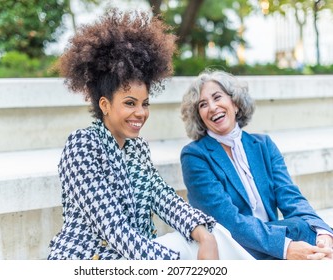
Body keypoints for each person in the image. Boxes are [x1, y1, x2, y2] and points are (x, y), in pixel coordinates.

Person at [47, 9, 253, 260]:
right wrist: (175, 265)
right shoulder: (83, 145)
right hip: (92, 259)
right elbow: (114, 230)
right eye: (130, 103)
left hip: (136, 257)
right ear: (104, 105)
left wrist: (203, 232)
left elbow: (162, 196)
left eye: (145, 104)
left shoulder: (137, 148)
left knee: (217, 236)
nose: (140, 113)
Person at [180, 69, 333, 260]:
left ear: (235, 102)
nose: (212, 107)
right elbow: (228, 220)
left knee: (315, 238)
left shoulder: (263, 145)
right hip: (231, 246)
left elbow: (291, 197)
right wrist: (286, 247)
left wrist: (323, 233)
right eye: (203, 105)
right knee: (299, 230)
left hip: (270, 242)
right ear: (199, 116)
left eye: (217, 97)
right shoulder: (195, 155)